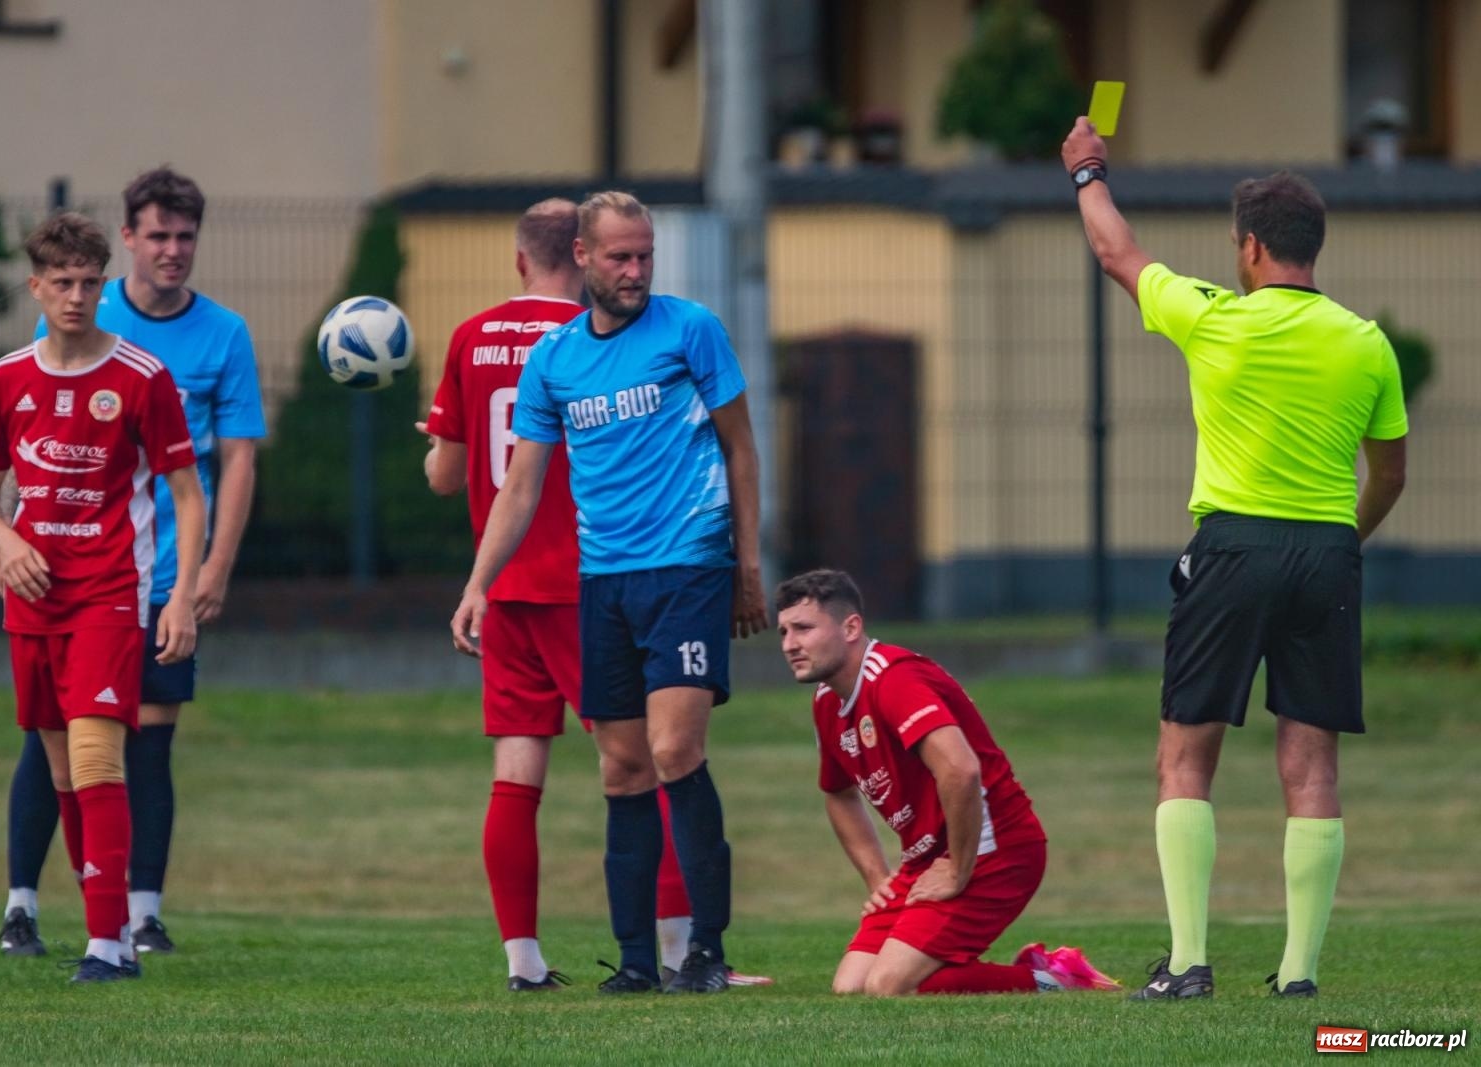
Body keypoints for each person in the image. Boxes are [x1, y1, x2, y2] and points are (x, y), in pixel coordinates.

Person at [1061, 119, 1409, 999]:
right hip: (1328, 552)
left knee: (1186, 755)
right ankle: (1299, 974)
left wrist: (1087, 171)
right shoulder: (1367, 341)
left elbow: (1117, 252)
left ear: (1250, 246)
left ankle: (1187, 963)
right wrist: (1342, 541)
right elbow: (1392, 470)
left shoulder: (1215, 318)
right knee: (1313, 765)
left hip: (1232, 548)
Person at [451, 190, 768, 994]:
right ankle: (633, 960)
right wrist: (479, 585)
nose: (635, 271)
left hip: (689, 568)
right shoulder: (555, 359)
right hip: (604, 582)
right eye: (620, 257)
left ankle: (703, 951)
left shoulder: (691, 328)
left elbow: (741, 447)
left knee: (673, 750)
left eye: (645, 256)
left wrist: (748, 566)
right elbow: (522, 487)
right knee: (622, 769)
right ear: (583, 257)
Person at [0, 168, 267, 958]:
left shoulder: (224, 334)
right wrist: (8, 536)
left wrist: (211, 567)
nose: (173, 250)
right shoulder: (82, 311)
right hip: (61, 570)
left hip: (159, 573)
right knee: (51, 738)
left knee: (143, 738)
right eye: (158, 235)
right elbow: (27, 439)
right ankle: (24, 903)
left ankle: (135, 913)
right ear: (130, 241)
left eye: (185, 237)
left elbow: (235, 460)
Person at [0, 212, 206, 982]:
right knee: (62, 772)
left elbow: (186, 491)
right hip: (32, 600)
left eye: (87, 283)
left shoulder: (141, 377)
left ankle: (109, 944)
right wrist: (7, 543)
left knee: (98, 751)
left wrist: (181, 597)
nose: (75, 296)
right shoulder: (8, 378)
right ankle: (98, 922)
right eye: (61, 283)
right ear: (36, 287)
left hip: (111, 591)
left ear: (103, 285)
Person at [775, 569, 1119, 996]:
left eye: (803, 629)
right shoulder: (827, 702)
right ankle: (1015, 966)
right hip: (925, 860)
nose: (790, 644)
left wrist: (958, 869)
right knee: (851, 986)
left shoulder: (893, 678)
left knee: (888, 985)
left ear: (851, 627)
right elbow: (838, 794)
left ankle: (1057, 979)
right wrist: (877, 879)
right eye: (785, 631)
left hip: (996, 850)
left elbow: (961, 769)